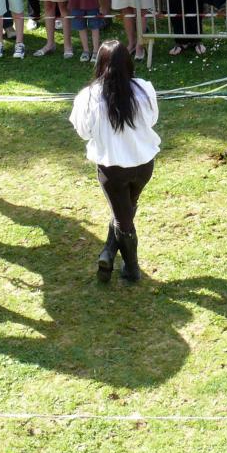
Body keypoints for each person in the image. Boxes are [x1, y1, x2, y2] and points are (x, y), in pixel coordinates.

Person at [69, 39, 160, 282]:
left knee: (122, 218)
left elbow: (83, 132)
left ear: (100, 64)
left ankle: (131, 269)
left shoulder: (88, 97)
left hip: (113, 170)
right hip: (144, 165)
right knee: (126, 210)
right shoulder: (144, 89)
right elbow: (152, 120)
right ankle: (108, 253)